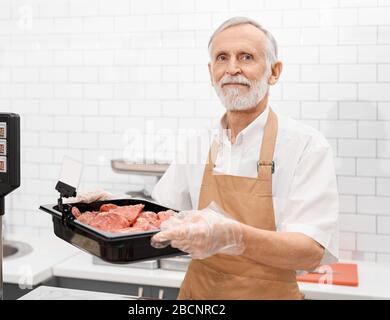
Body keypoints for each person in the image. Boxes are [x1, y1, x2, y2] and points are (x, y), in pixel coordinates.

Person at [75, 17, 339, 300]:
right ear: (211, 71)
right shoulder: (198, 143)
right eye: (222, 58)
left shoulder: (306, 146)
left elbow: (310, 251)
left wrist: (234, 237)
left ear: (274, 72)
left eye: (246, 57)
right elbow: (160, 217)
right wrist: (110, 210)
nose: (232, 68)